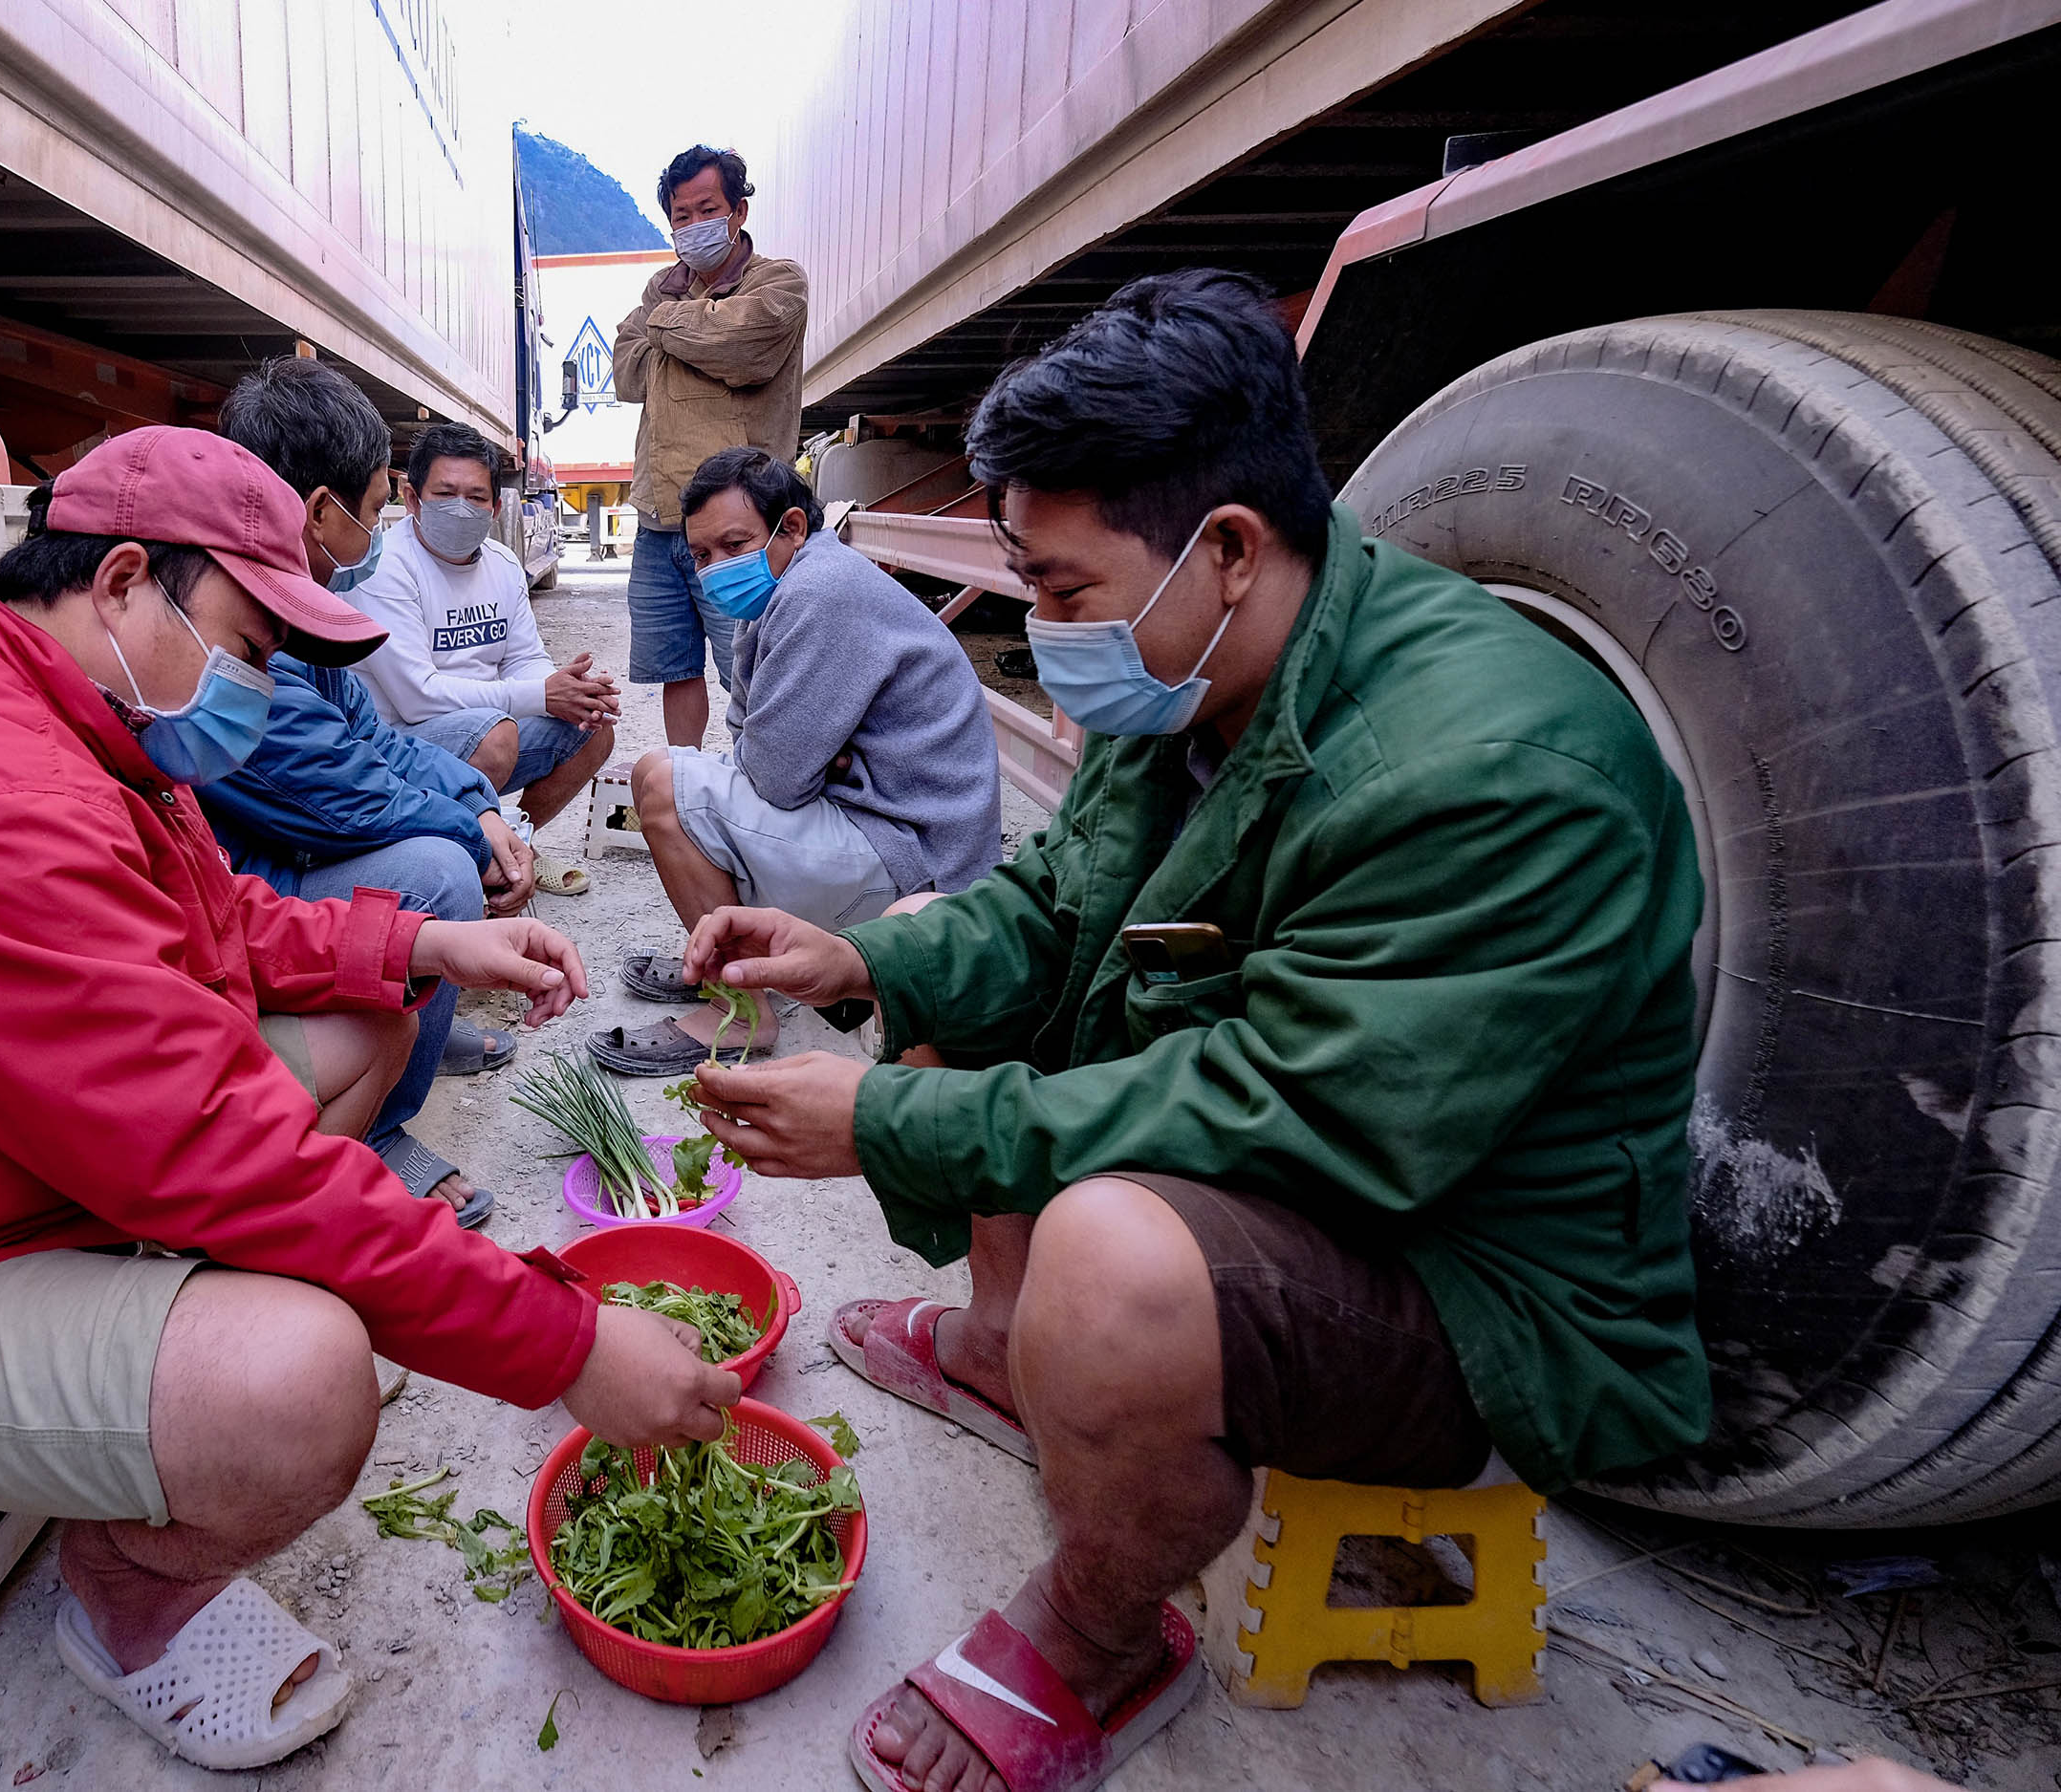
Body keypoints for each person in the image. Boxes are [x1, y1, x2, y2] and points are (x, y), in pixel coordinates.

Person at [672, 273, 1712, 1792]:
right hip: (1316, 1155)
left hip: (1473, 1281)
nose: (1044, 626)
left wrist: (884, 1122)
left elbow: (1300, 1114)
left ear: (1225, 546)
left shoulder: (1492, 770)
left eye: (1062, 589)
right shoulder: (1195, 668)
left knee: (1108, 1259)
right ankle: (1001, 1348)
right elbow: (1053, 904)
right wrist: (859, 956)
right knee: (940, 968)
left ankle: (1101, 1632)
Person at [0, 426, 738, 1776]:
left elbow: (217, 923)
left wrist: (424, 944)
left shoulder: (72, 714)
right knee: (301, 1383)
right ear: (127, 581)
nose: (260, 681)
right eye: (251, 642)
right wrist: (567, 1344)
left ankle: (157, 1359)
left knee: (369, 1017)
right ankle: (127, 1589)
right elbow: (221, 1150)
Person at [210, 356, 537, 1226]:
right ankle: (380, 1126)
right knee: (438, 875)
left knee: (458, 824)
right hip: (245, 875)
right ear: (321, 512)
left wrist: (478, 802)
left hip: (266, 857)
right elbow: (343, 794)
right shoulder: (237, 626)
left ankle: (418, 1014)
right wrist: (469, 832)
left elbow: (376, 739)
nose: (382, 532)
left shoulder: (300, 604)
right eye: (378, 506)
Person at [588, 446, 1001, 1079]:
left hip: (918, 869)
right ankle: (734, 961)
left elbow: (774, 778)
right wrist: (806, 754)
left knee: (664, 783)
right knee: (689, 781)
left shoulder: (820, 591)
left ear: (793, 527)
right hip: (883, 831)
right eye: (702, 555)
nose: (717, 568)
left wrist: (798, 755)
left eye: (734, 544)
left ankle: (743, 1011)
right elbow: (750, 742)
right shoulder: (778, 597)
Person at [612, 143, 808, 749]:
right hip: (660, 518)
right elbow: (626, 374)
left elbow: (745, 352)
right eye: (681, 215)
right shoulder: (661, 286)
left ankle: (771, 776)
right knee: (675, 668)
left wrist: (664, 325)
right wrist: (700, 332)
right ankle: (686, 774)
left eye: (707, 209)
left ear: (738, 211)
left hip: (739, 525)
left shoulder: (779, 281)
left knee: (757, 665)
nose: (693, 224)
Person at [348, 421, 618, 850]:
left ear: (495, 508)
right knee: (496, 736)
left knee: (593, 728)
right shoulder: (384, 568)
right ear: (412, 498)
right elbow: (418, 697)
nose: (461, 509)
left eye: (476, 497)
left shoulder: (503, 564)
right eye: (445, 494)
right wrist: (540, 696)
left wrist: (569, 692)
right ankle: (468, 857)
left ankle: (514, 845)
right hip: (396, 744)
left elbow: (523, 657)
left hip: (485, 727)